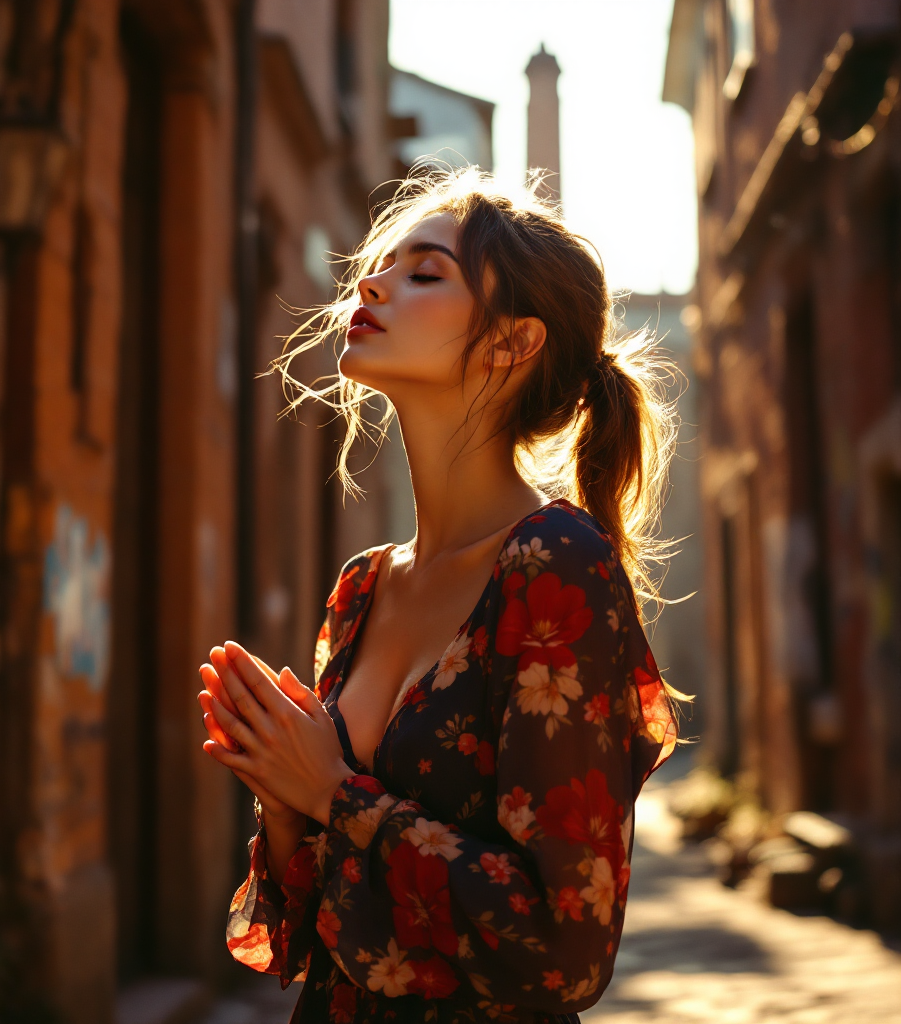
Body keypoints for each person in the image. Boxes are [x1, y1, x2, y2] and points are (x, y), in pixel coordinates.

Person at [198, 168, 680, 1023]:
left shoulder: (556, 566)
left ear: (512, 344)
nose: (372, 281)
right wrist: (282, 799)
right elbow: (313, 939)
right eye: (384, 263)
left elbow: (565, 955)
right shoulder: (362, 588)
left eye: (425, 273)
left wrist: (332, 793)